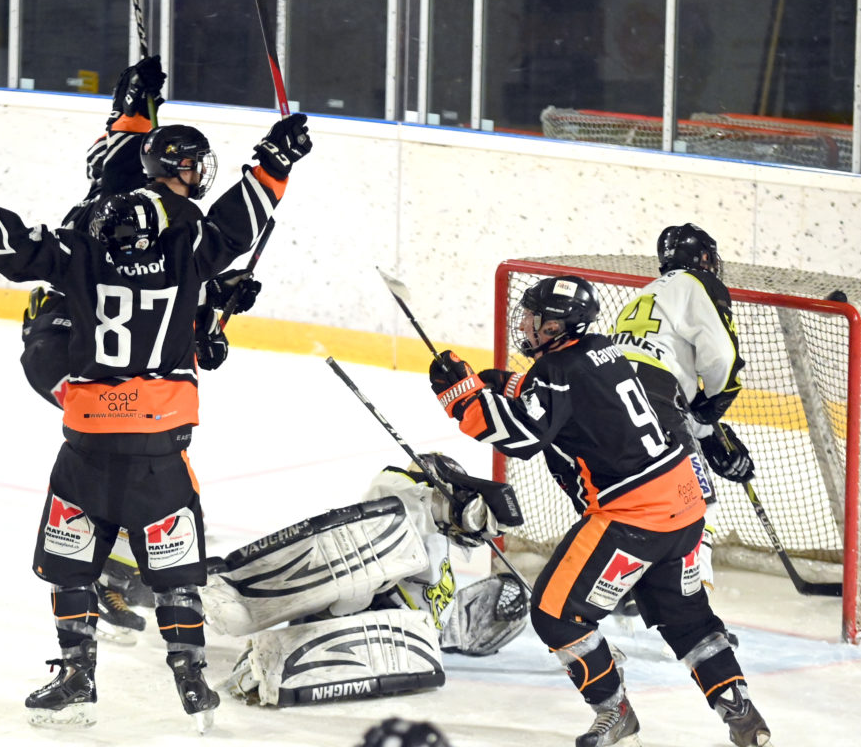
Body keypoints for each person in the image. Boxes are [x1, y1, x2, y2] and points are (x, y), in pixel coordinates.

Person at [0, 109, 312, 732]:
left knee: (72, 560)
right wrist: (276, 160)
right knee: (174, 569)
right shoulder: (190, 247)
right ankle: (191, 676)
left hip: (90, 434)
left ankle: (75, 675)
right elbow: (242, 215)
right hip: (159, 435)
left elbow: (12, 250)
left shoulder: (83, 249)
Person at [426, 275, 771, 747]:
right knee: (687, 617)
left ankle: (615, 711)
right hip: (685, 506)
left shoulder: (555, 372)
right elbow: (577, 398)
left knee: (554, 614)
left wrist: (462, 397)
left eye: (534, 319)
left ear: (556, 327)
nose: (525, 325)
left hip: (633, 516)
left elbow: (525, 437)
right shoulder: (606, 351)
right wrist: (509, 385)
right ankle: (742, 712)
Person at [19, 55, 263, 642]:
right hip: (66, 347)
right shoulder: (115, 208)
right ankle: (101, 569)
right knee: (131, 453)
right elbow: (114, 165)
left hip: (84, 344)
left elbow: (164, 306)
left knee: (142, 450)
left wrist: (210, 315)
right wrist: (133, 105)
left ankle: (107, 563)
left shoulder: (159, 217)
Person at [200, 454, 528, 707]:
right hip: (351, 606)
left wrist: (473, 618)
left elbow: (443, 594)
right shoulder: (397, 509)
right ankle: (256, 622)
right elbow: (392, 493)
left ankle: (282, 656)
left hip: (403, 628)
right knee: (383, 538)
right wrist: (448, 506)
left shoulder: (440, 539)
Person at [612, 223, 754, 595]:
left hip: (610, 396)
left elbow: (660, 374)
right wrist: (715, 405)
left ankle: (631, 585)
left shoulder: (644, 295)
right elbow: (721, 356)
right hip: (656, 398)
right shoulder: (699, 283)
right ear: (704, 258)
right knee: (695, 501)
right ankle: (696, 610)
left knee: (638, 498)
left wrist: (707, 434)